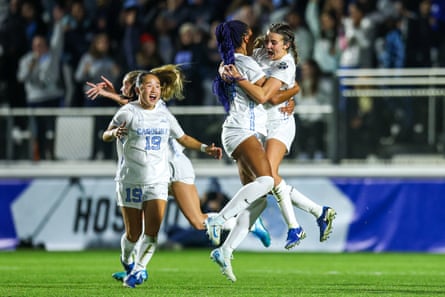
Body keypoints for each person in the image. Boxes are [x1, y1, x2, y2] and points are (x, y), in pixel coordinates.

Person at [85, 69, 271, 248]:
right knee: (142, 225)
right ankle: (134, 267)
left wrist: (110, 96)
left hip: (174, 168)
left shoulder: (156, 107)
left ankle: (247, 222)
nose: (122, 90)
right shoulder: (137, 109)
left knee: (198, 222)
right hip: (156, 172)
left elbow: (178, 135)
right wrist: (113, 97)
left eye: (125, 86)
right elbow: (130, 109)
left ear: (136, 87)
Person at [102, 66, 222, 288]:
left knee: (152, 232)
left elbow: (183, 137)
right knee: (133, 233)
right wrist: (114, 133)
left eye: (157, 86)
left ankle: (139, 270)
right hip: (130, 179)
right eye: (149, 86)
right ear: (139, 90)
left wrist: (206, 148)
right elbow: (105, 134)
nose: (154, 90)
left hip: (158, 179)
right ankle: (127, 260)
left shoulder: (164, 113)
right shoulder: (127, 112)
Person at [204, 20, 299, 282]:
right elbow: (263, 96)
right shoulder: (243, 63)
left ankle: (225, 251)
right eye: (251, 32)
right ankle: (219, 219)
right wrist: (293, 90)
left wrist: (289, 96)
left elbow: (264, 93)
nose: (257, 37)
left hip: (243, 131)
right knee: (268, 180)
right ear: (245, 36)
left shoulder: (235, 60)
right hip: (242, 130)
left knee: (258, 198)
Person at [16, 5, 65, 160]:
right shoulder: (26, 60)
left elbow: (58, 41)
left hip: (52, 97)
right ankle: (38, 157)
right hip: (35, 99)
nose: (39, 48)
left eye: (41, 45)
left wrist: (58, 23)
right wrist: (31, 67)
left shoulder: (52, 56)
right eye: (36, 45)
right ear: (32, 46)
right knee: (38, 131)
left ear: (45, 46)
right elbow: (21, 78)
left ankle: (55, 156)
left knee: (55, 130)